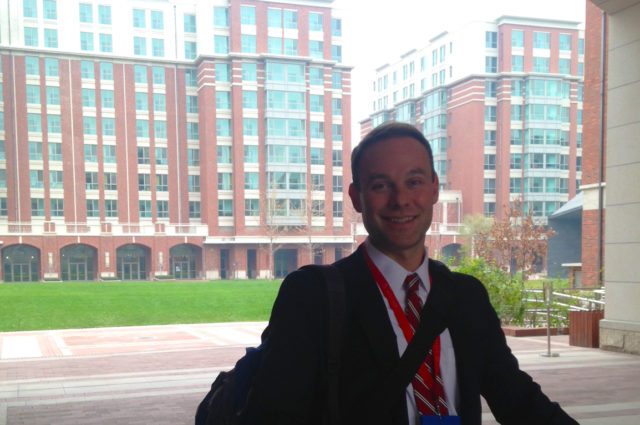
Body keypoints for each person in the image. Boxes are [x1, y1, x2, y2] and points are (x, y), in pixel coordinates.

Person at [243, 122, 578, 425]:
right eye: (380, 185)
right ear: (357, 198)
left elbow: (519, 401)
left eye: (414, 182)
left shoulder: (466, 296)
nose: (401, 199)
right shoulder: (313, 296)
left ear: (434, 189)